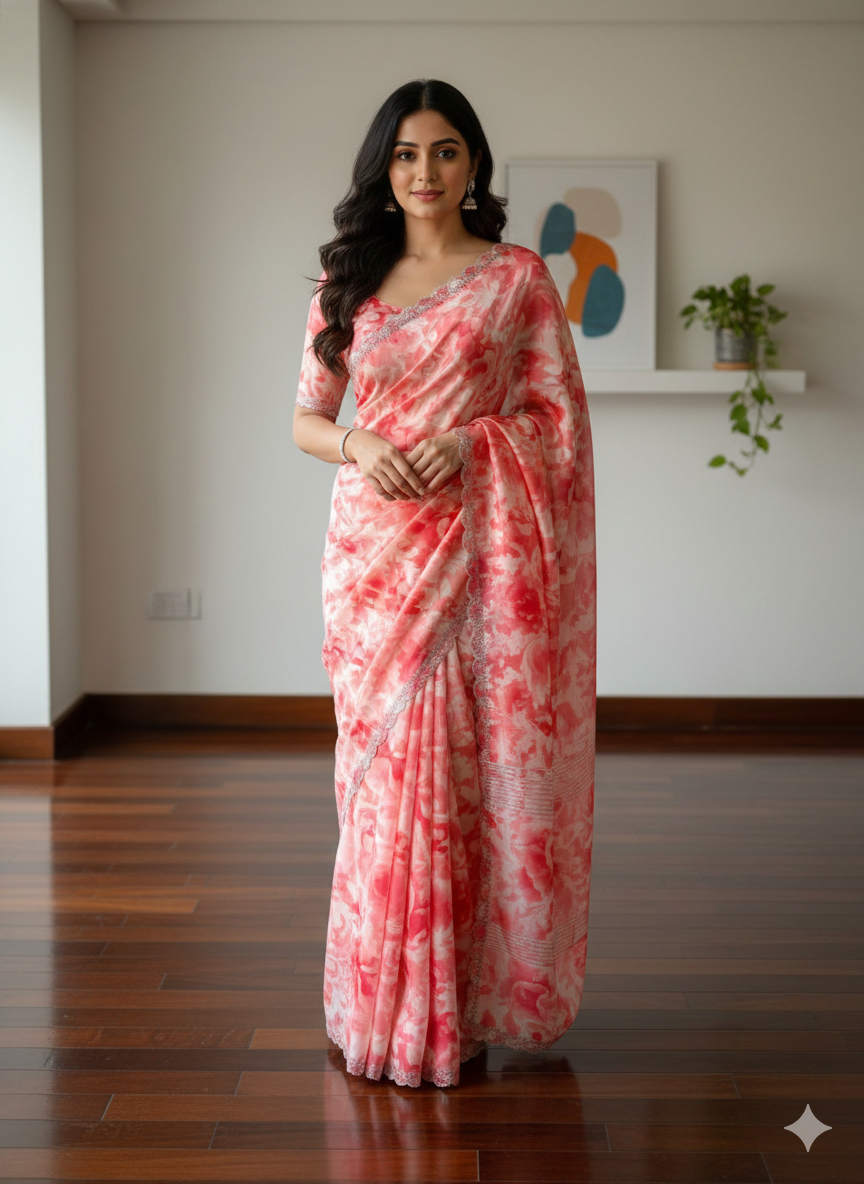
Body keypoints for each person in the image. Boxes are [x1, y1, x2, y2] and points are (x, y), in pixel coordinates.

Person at [293, 79, 596, 1089]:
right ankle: (378, 1001)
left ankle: (455, 1006)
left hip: (475, 556)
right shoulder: (347, 278)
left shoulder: (516, 278)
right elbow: (306, 418)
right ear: (384, 168)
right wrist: (361, 443)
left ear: (474, 165)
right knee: (380, 781)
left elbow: (556, 422)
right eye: (406, 153)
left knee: (464, 774)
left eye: (445, 151)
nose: (424, 171)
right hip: (372, 564)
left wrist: (471, 443)